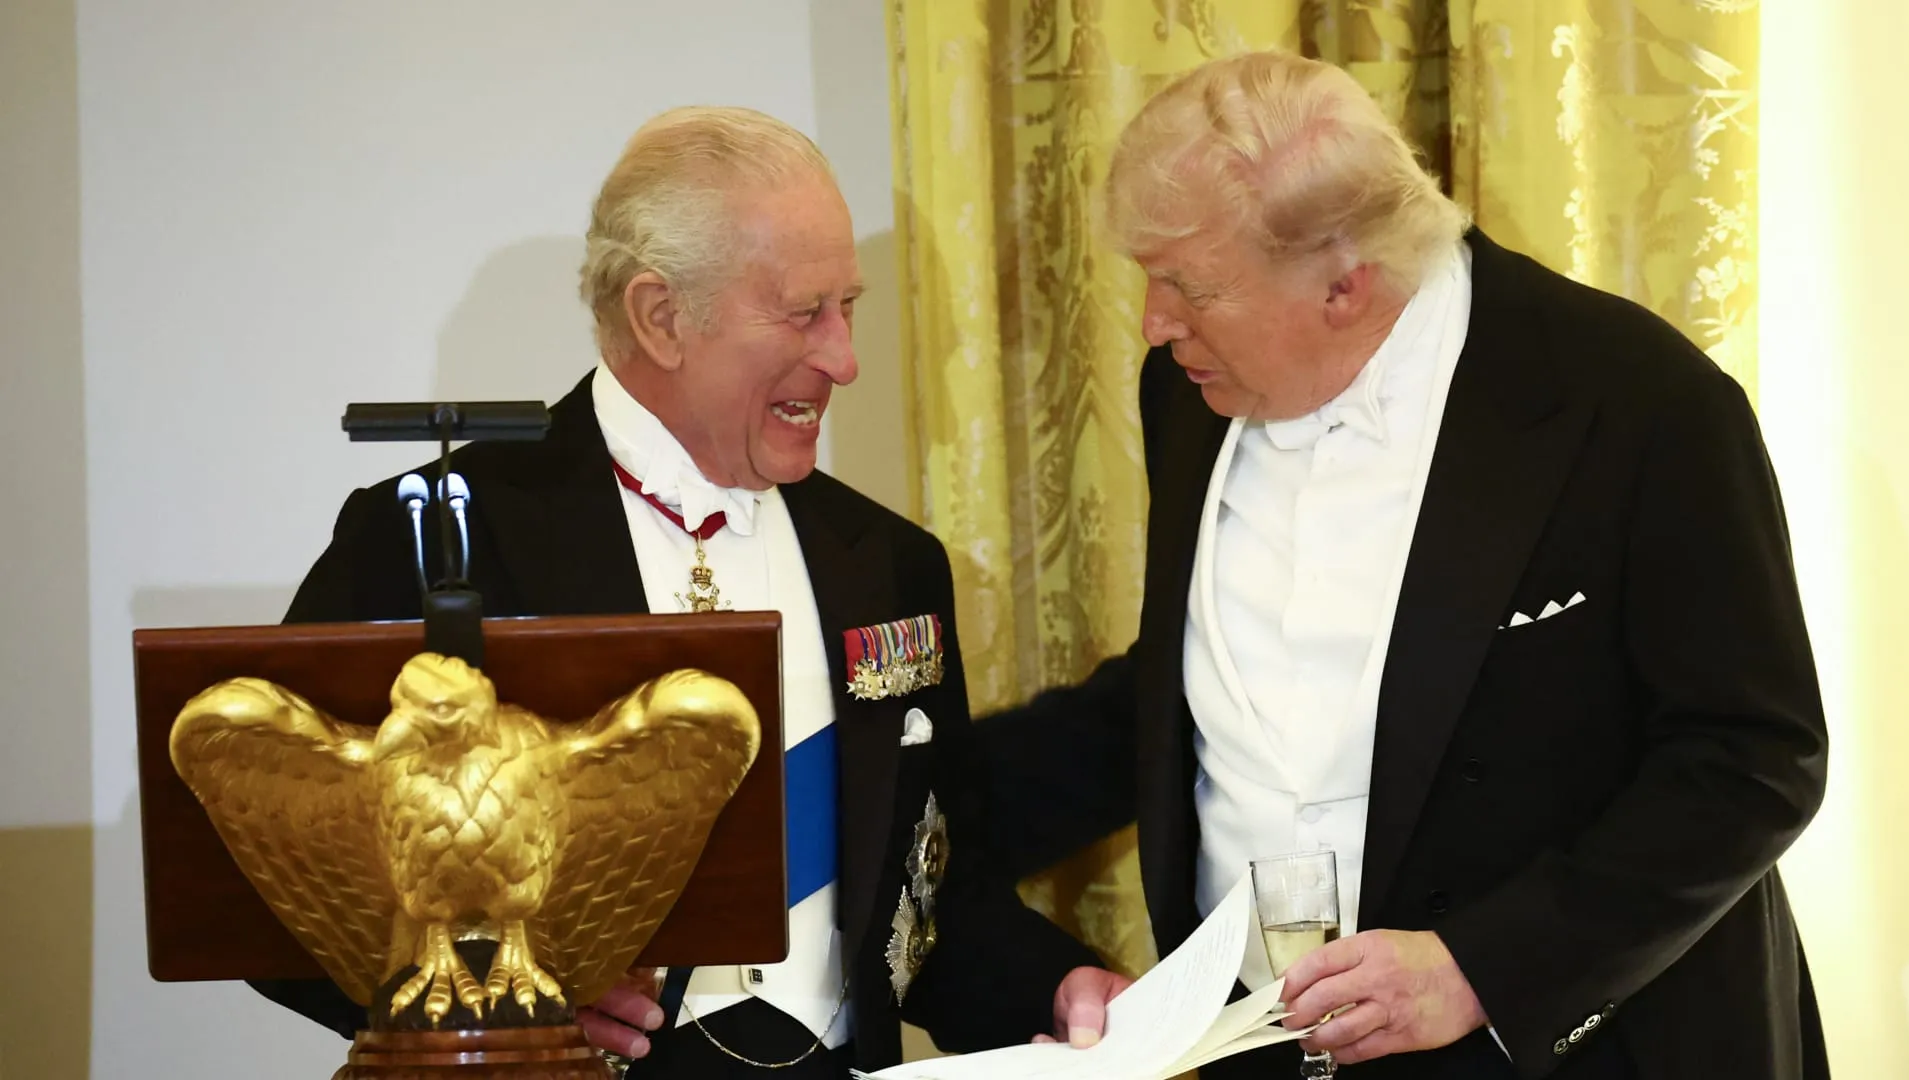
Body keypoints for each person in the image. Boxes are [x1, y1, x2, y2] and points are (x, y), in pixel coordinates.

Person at [983, 51, 1829, 1080]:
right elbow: (1193, 688)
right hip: (1265, 1051)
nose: (1155, 323)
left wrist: (1480, 970)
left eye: (1188, 287)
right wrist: (902, 799)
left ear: (1346, 282)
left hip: (1570, 1050)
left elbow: (1752, 758)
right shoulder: (1188, 391)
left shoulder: (1639, 404)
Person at [251, 105, 1100, 1079]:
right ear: (661, 317)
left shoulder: (888, 563)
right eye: (804, 313)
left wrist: (1055, 987)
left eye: (848, 307)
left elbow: (931, 897)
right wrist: (488, 998)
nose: (844, 358)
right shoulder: (444, 538)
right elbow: (268, 872)